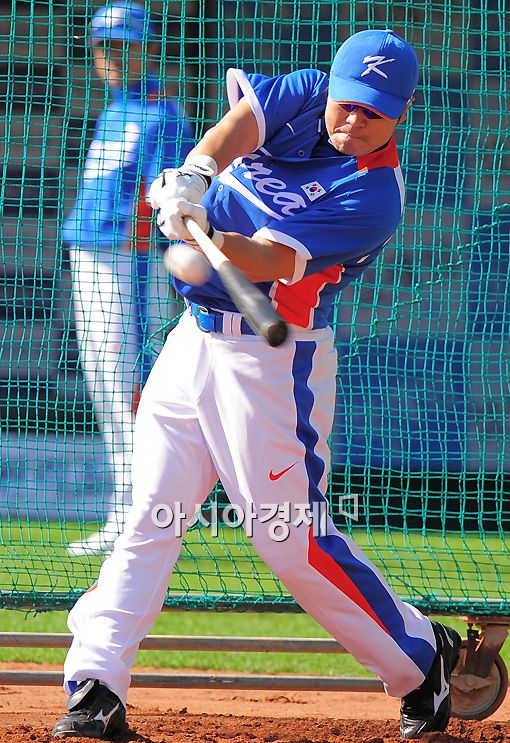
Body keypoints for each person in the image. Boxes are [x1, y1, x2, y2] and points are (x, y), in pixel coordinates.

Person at [52, 29, 462, 740]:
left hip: (274, 365)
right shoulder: (306, 93)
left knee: (289, 538)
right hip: (193, 342)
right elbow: (242, 125)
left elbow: (266, 260)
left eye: (375, 113)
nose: (354, 122)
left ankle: (422, 659)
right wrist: (198, 171)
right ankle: (96, 683)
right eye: (348, 105)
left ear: (401, 113)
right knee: (150, 512)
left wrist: (201, 233)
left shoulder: (375, 195)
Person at [63, 1, 193, 556]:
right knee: (105, 384)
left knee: (131, 385)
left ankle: (141, 513)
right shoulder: (111, 112)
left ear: (148, 46)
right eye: (104, 46)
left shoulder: (165, 114)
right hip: (89, 257)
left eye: (124, 44)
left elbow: (163, 208)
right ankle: (127, 508)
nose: (112, 56)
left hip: (128, 264)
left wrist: (151, 276)